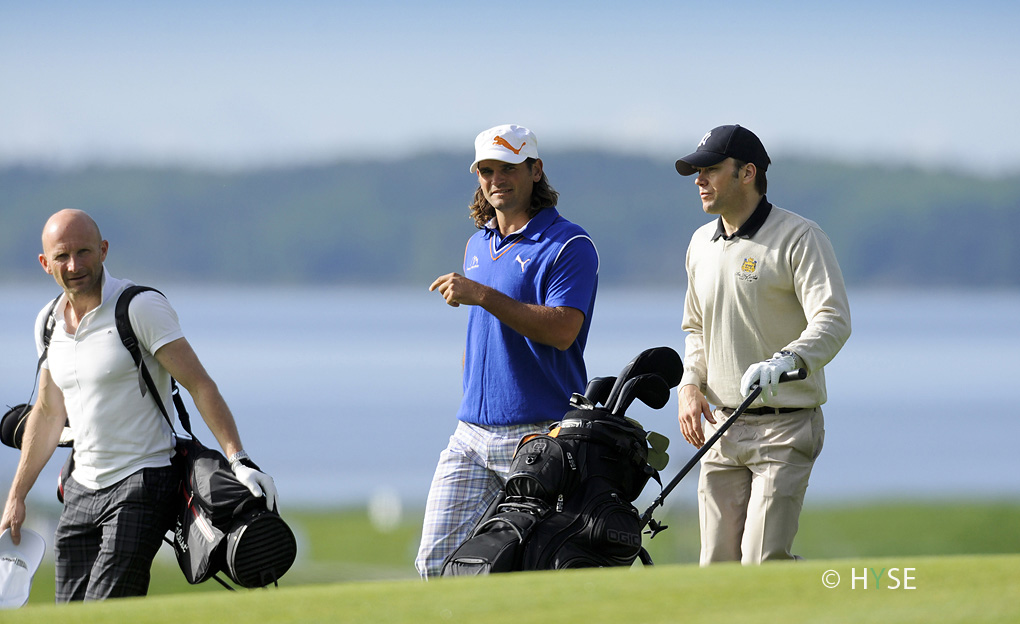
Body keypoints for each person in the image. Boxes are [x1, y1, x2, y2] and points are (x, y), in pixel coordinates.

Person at [0, 209, 277, 601]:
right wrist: (17, 495)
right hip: (79, 487)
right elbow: (47, 413)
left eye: (83, 252)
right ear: (46, 263)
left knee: (104, 613)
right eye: (62, 256)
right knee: (69, 614)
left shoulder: (139, 307)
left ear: (103, 250)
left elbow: (199, 385)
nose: (74, 265)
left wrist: (239, 459)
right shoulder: (47, 323)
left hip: (142, 481)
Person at [415, 124, 599, 578]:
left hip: (540, 435)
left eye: (508, 168)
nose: (496, 179)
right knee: (434, 563)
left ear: (535, 170)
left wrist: (481, 294)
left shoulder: (570, 244)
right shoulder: (478, 244)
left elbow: (563, 330)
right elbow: (483, 334)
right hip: (471, 435)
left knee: (537, 570)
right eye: (486, 170)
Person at [673, 125, 851, 565]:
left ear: (747, 172)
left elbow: (833, 319)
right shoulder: (699, 243)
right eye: (697, 172)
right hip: (721, 427)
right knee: (717, 566)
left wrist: (788, 360)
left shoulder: (799, 236)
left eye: (711, 170)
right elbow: (696, 328)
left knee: (761, 562)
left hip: (784, 426)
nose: (699, 180)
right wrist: (690, 384)